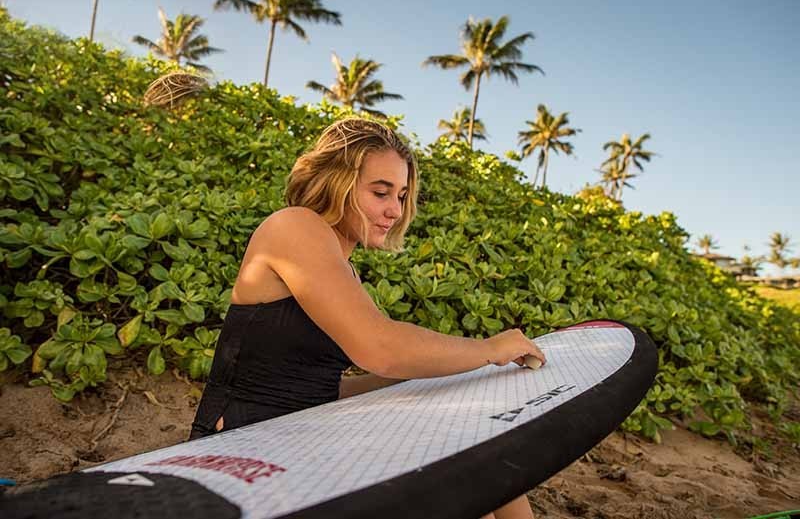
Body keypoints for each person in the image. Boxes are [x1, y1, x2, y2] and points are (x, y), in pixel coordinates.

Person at [189, 117, 545, 519]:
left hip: (304, 438)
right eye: (380, 192)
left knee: (481, 460)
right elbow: (380, 348)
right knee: (466, 479)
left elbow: (313, 388)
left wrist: (418, 379)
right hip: (243, 455)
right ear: (336, 182)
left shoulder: (343, 267)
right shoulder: (293, 226)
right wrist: (488, 350)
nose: (395, 210)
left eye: (402, 195)